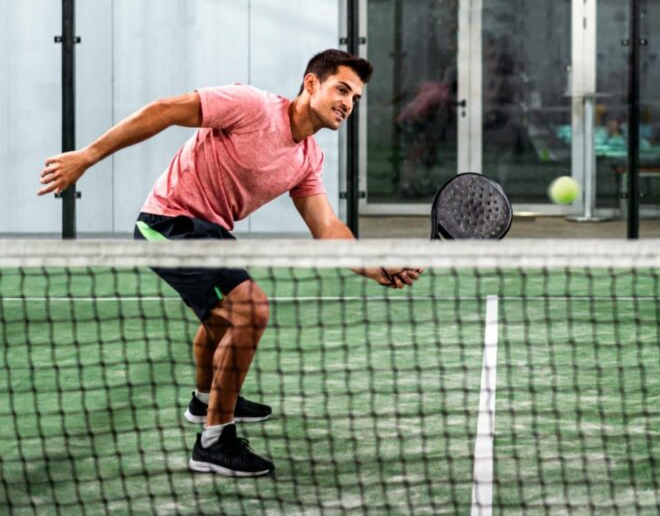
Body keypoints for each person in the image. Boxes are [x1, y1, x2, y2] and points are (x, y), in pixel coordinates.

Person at [37, 49, 420, 478]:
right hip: (169, 222)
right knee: (250, 308)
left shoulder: (308, 158)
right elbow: (164, 110)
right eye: (342, 89)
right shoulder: (251, 105)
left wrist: (376, 265)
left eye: (356, 98)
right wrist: (86, 156)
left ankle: (205, 402)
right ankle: (215, 441)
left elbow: (328, 227)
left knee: (221, 320)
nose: (348, 103)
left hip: (212, 234)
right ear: (311, 84)